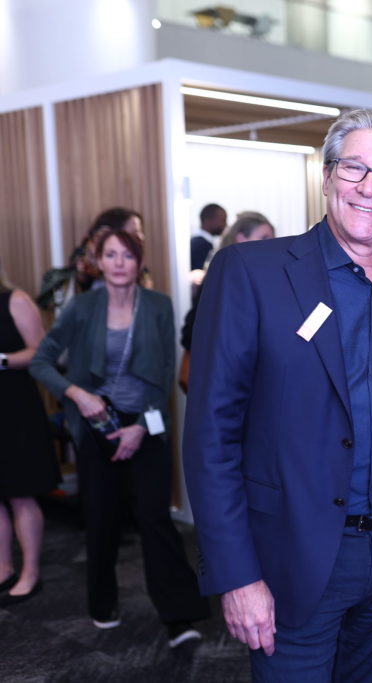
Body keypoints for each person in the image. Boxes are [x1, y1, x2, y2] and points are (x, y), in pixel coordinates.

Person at [183, 109, 372, 682]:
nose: (368, 187)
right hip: (286, 559)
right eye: (354, 168)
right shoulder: (250, 272)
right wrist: (235, 574)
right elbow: (211, 437)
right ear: (326, 177)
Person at [30, 227, 209, 646]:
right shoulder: (82, 307)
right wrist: (77, 395)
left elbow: (166, 374)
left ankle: (179, 617)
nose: (118, 263)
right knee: (101, 518)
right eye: (110, 255)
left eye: (126, 256)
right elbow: (42, 362)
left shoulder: (160, 307)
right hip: (95, 426)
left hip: (144, 422)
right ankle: (102, 602)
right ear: (97, 260)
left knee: (155, 518)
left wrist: (140, 427)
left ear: (140, 262)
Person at [0, 268, 60, 607]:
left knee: (20, 494)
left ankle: (30, 573)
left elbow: (40, 351)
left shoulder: (16, 300)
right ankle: (4, 568)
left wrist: (2, 359)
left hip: (14, 410)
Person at [178, 212, 276, 392]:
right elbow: (194, 326)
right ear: (241, 238)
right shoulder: (223, 275)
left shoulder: (261, 277)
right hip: (222, 375)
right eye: (264, 238)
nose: (271, 245)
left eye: (272, 239)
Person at [190, 203, 227, 271]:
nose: (225, 224)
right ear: (208, 220)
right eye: (222, 220)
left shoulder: (196, 241)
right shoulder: (202, 245)